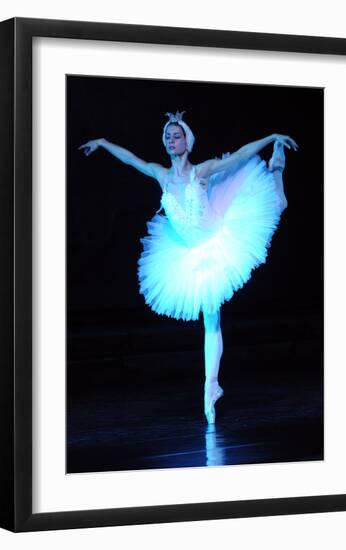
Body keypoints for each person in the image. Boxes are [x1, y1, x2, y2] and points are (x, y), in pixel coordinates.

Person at [79, 111, 298, 424]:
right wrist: (102, 142)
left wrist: (271, 137)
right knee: (210, 320)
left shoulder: (203, 170)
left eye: (176, 135)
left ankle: (276, 167)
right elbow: (130, 159)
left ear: (187, 141)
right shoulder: (161, 175)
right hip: (189, 253)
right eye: (167, 136)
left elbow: (239, 155)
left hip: (220, 237)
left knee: (277, 205)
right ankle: (211, 386)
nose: (171, 140)